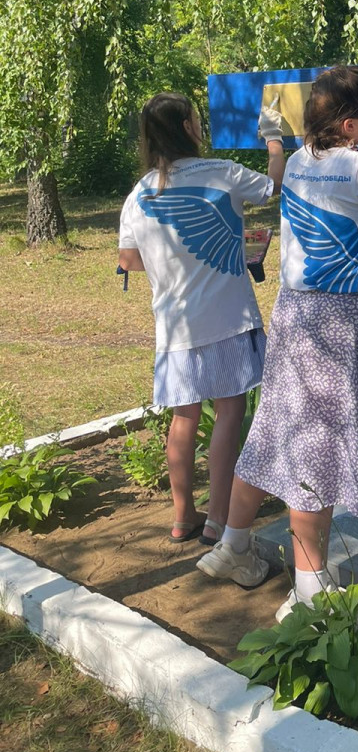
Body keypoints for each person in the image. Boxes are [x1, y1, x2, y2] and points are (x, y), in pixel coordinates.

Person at [197, 65, 358, 620]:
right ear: (350, 123)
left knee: (276, 430)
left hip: (294, 310)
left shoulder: (302, 161)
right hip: (337, 322)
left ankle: (233, 544)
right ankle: (310, 588)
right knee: (317, 448)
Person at [118, 90, 285, 546]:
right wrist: (274, 141)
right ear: (189, 128)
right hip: (228, 318)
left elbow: (128, 259)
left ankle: (182, 515)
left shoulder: (139, 194)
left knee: (183, 418)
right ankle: (218, 518)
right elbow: (274, 187)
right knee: (229, 412)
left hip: (173, 326)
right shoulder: (222, 173)